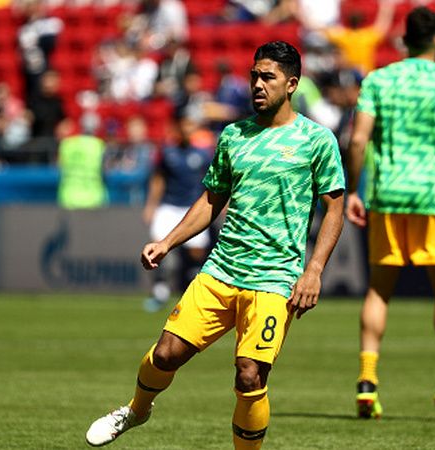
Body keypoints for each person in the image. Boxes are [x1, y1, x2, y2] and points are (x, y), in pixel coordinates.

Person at [85, 41, 345, 448]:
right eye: (254, 75)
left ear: (292, 84)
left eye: (268, 77)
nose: (257, 84)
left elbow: (334, 210)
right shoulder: (233, 136)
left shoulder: (317, 140)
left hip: (275, 279)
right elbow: (211, 200)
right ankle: (136, 410)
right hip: (222, 269)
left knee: (249, 375)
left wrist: (313, 271)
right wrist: (167, 242)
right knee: (167, 354)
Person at [344, 7, 435, 420]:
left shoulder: (378, 79)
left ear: (404, 40)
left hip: (385, 197)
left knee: (379, 291)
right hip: (432, 197)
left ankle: (367, 383)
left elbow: (357, 139)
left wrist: (353, 189)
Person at [141, 115, 213, 312]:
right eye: (186, 125)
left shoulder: (203, 155)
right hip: (169, 206)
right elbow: (158, 180)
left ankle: (192, 294)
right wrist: (151, 205)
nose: (189, 129)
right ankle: (160, 292)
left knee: (196, 254)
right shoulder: (167, 153)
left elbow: (215, 184)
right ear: (179, 128)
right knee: (158, 248)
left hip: (193, 209)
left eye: (192, 125)